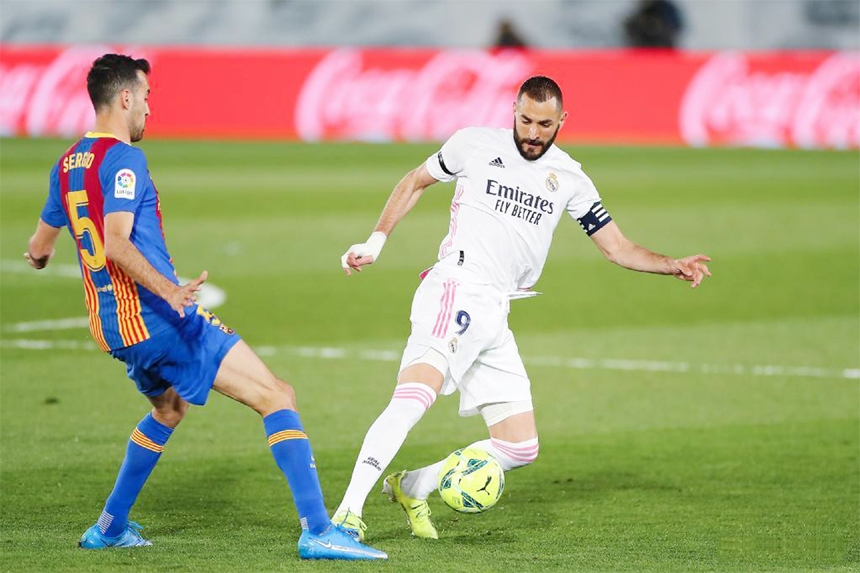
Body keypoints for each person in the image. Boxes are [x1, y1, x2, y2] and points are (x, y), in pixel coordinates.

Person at [24, 53, 386, 561]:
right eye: (146, 97)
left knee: (168, 408)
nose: (150, 109)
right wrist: (169, 292)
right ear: (125, 98)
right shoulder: (125, 160)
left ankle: (109, 526)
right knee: (277, 395)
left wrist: (42, 256)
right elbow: (117, 244)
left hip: (111, 326)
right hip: (158, 317)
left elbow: (39, 249)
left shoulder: (65, 164)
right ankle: (319, 530)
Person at [334, 75, 711, 540]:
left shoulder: (570, 177)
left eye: (545, 124)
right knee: (413, 399)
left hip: (496, 309)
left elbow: (616, 247)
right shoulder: (473, 144)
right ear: (513, 110)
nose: (533, 133)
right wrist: (376, 241)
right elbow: (415, 181)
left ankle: (414, 485)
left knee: (519, 446)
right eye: (526, 120)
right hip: (456, 286)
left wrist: (670, 264)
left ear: (562, 121)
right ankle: (346, 516)